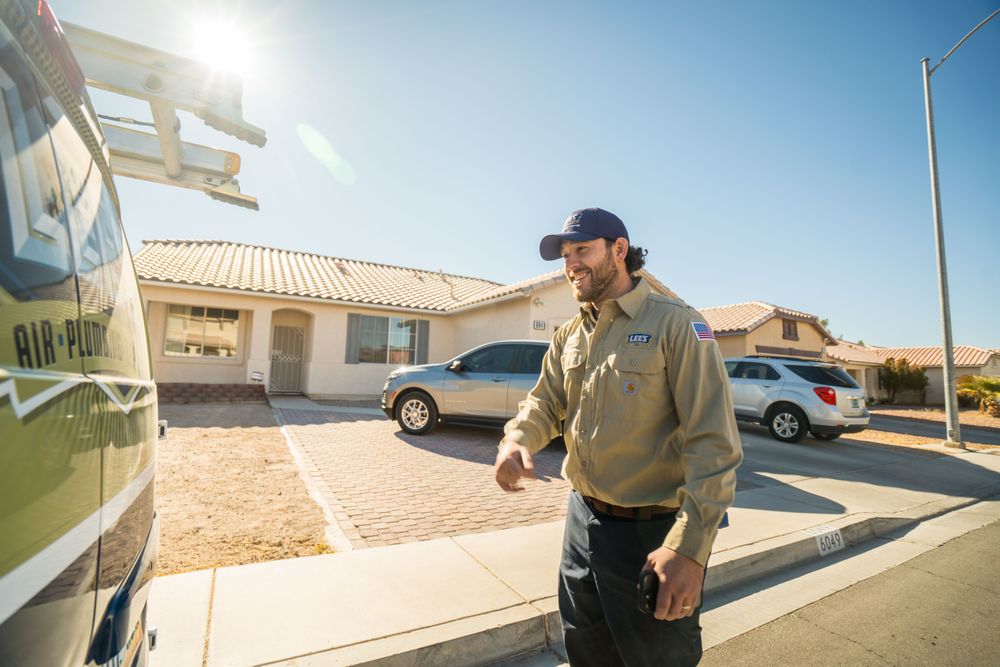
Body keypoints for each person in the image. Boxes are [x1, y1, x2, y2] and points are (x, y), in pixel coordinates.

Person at [494, 207, 742, 666]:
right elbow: (544, 402)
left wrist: (688, 550)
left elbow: (714, 444)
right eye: (565, 255)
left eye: (581, 250)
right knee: (586, 652)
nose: (571, 264)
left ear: (619, 251)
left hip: (652, 534)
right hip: (582, 522)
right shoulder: (570, 333)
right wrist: (517, 439)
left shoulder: (678, 324)